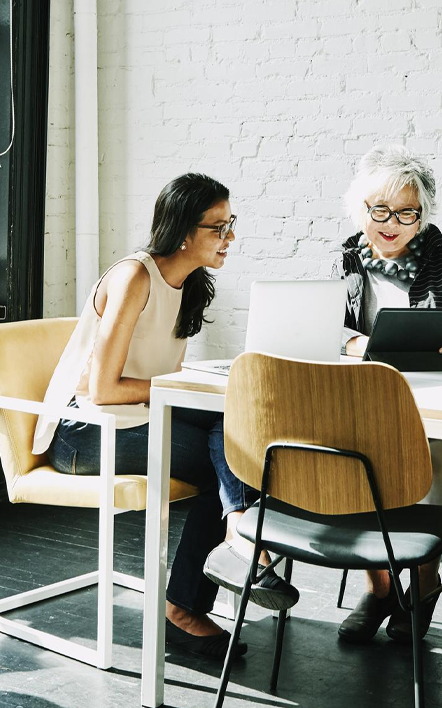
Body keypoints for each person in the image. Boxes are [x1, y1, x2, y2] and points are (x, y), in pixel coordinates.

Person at [32, 173, 298, 661]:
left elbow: (155, 380)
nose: (230, 237)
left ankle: (233, 532)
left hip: (135, 420)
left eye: (230, 224)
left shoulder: (190, 284)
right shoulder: (135, 276)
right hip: (86, 432)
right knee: (234, 459)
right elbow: (104, 389)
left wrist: (208, 385)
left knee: (241, 427)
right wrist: (184, 386)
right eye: (219, 227)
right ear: (183, 230)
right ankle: (204, 583)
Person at [333, 145, 442, 645]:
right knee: (353, 466)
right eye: (379, 211)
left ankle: (424, 585)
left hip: (441, 413)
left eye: (407, 213)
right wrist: (352, 342)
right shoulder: (349, 256)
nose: (392, 224)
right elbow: (327, 328)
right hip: (374, 403)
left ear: (422, 215)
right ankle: (382, 586)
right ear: (361, 209)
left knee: (422, 474)